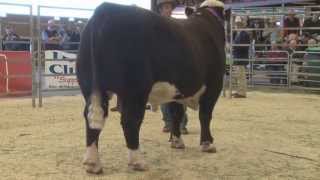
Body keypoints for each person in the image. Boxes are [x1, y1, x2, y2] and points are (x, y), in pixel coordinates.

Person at [156, 0, 189, 134]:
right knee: (164, 96)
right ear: (160, 9)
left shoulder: (178, 24)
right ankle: (168, 122)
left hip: (176, 64)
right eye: (166, 7)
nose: (168, 9)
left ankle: (182, 123)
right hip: (161, 64)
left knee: (179, 96)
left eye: (170, 7)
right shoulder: (155, 24)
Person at [232, 16, 250, 98]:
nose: (237, 25)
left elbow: (245, 46)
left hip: (241, 57)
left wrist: (234, 46)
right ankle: (239, 91)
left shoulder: (244, 34)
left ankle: (242, 93)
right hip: (237, 57)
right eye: (236, 24)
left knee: (241, 76)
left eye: (238, 24)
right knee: (238, 76)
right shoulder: (238, 34)